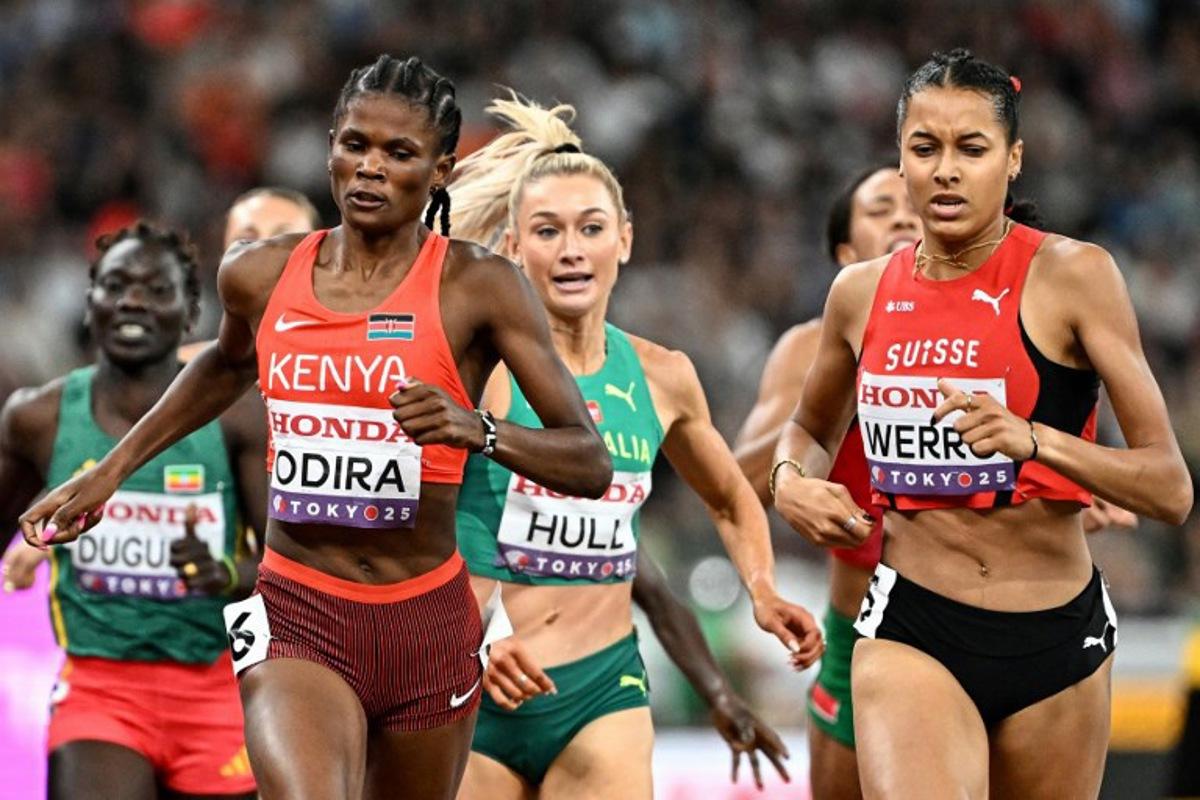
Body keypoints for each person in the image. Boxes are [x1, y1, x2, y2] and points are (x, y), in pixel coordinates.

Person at [20, 54, 612, 800]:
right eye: (355, 144)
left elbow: (587, 462)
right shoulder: (259, 274)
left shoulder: (478, 286)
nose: (369, 168)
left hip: (426, 623)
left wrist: (475, 430)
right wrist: (105, 472)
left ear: (437, 173)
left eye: (398, 154)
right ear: (329, 145)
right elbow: (226, 367)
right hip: (296, 609)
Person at [771, 49, 1191, 799]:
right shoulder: (859, 293)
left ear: (1014, 158)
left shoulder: (1075, 276)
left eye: (972, 148)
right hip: (913, 626)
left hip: (1055, 636)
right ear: (899, 159)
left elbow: (1169, 487)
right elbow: (805, 431)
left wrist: (1036, 441)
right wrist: (788, 482)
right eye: (924, 148)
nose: (946, 170)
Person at [447, 95, 823, 799]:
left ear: (624, 239)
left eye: (590, 228)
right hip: (477, 677)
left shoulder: (663, 376)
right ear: (513, 247)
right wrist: (481, 630)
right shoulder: (480, 370)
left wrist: (763, 588)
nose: (571, 250)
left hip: (602, 691)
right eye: (547, 231)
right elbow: (421, 514)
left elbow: (731, 498)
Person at [0, 221, 265, 799]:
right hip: (100, 688)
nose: (133, 301)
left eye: (156, 289)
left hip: (216, 686)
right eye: (115, 284)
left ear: (191, 312)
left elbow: (284, 572)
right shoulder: (36, 419)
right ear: (89, 302)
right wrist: (21, 556)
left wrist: (221, 574)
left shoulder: (239, 418)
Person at [735, 164, 918, 800]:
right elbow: (735, 486)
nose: (903, 216)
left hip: (967, 616)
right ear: (846, 254)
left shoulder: (985, 335)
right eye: (881, 208)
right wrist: (840, 394)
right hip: (855, 631)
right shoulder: (806, 350)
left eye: (913, 204)